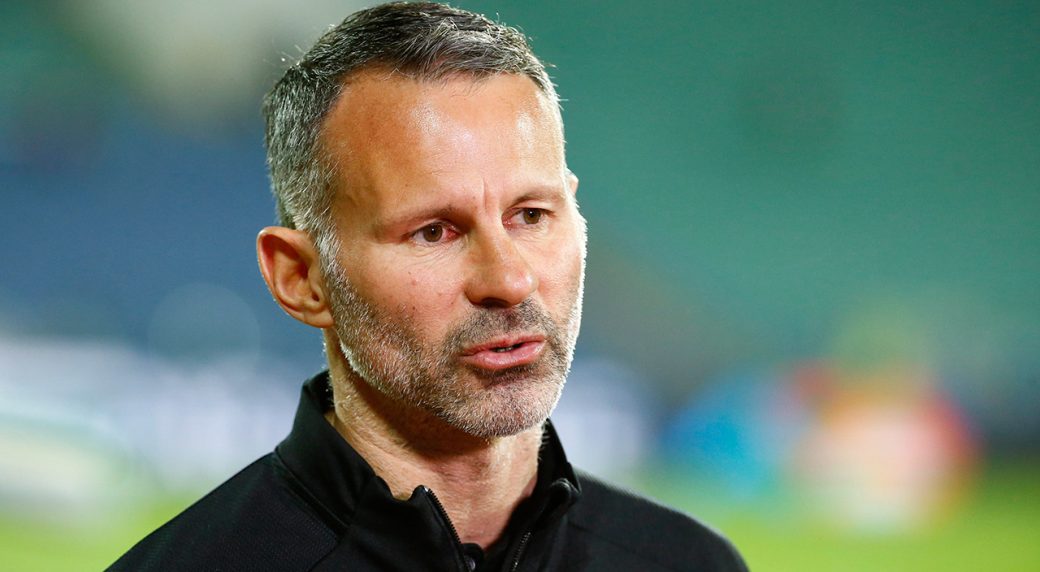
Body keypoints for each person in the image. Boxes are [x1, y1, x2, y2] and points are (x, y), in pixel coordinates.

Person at [110, 3, 747, 571]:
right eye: (433, 232)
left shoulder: (688, 562)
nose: (509, 280)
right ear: (301, 278)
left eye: (531, 215)